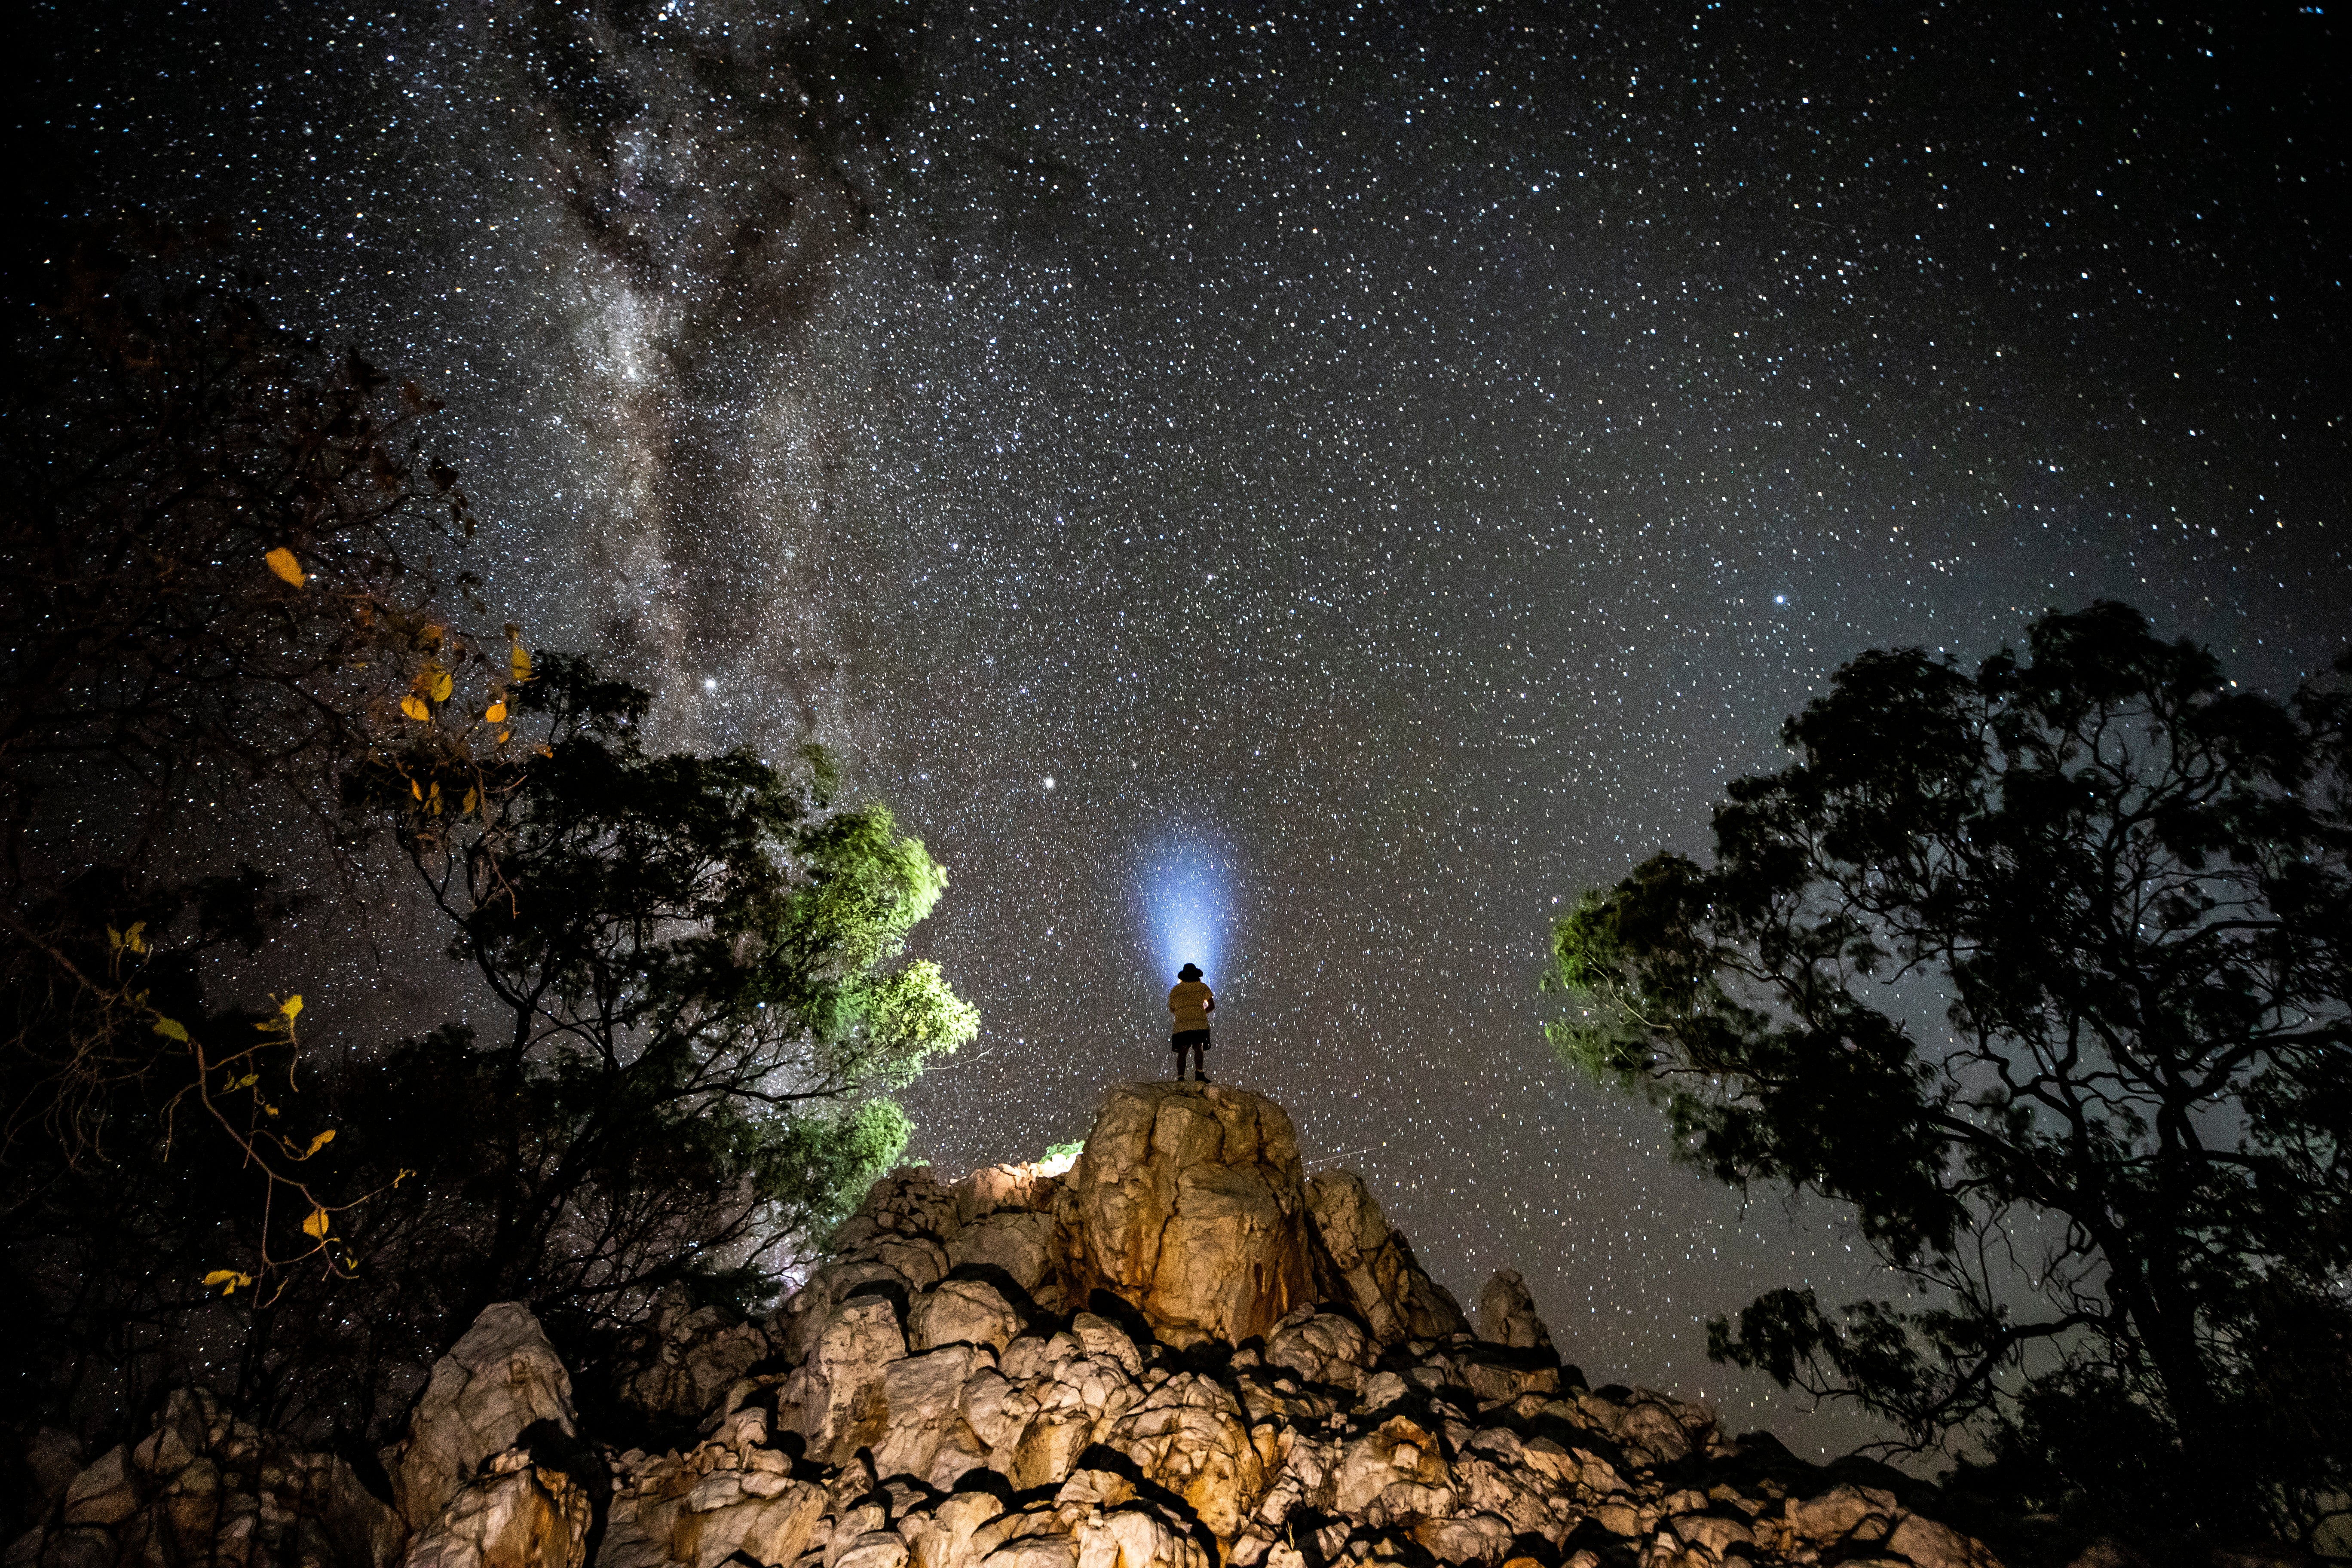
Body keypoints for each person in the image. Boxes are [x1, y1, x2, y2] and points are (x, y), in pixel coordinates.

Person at [1168, 963, 1214, 1081]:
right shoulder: (1202, 987)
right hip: (1199, 1023)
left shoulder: (1175, 990)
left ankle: (1180, 1077)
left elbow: (1172, 1008)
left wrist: (1183, 1013)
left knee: (1183, 1050)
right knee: (1198, 1047)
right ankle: (1199, 1074)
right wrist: (1201, 1012)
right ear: (1197, 975)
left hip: (1181, 1025)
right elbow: (1212, 1006)